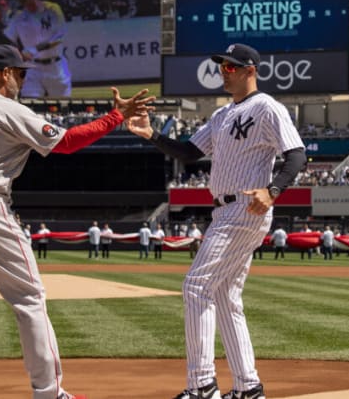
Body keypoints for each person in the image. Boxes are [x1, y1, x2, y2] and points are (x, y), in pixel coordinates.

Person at [0, 44, 153, 399]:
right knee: (29, 298)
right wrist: (115, 117)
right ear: (5, 74)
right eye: (22, 73)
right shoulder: (7, 108)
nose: (25, 80)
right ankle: (49, 392)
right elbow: (67, 143)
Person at [126, 42, 306, 399]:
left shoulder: (267, 107)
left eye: (230, 67)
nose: (223, 71)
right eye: (222, 66)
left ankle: (202, 385)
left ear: (250, 70)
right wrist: (151, 135)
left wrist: (272, 191)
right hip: (224, 210)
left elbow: (296, 155)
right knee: (224, 296)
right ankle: (248, 387)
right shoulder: (222, 116)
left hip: (244, 208)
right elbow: (190, 152)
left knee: (196, 287)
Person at [4, 0, 72, 97]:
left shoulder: (52, 9)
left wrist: (35, 49)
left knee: (61, 105)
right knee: (30, 105)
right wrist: (18, 54)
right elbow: (7, 39)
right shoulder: (19, 17)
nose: (25, 1)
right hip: (33, 68)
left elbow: (59, 37)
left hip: (56, 67)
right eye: (22, 0)